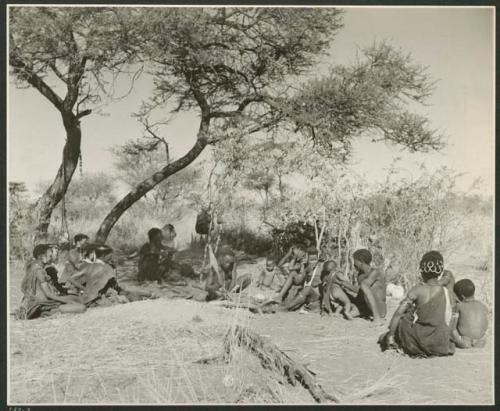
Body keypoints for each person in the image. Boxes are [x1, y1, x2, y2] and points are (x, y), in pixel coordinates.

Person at [378, 251, 455, 357]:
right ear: (440, 271)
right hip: (439, 342)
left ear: (421, 271)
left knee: (403, 319)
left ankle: (391, 338)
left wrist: (391, 335)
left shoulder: (417, 290)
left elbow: (398, 313)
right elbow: (449, 317)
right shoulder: (444, 291)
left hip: (418, 340)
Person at [17, 244, 86, 320]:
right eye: (50, 256)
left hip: (39, 302)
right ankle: (48, 312)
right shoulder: (39, 271)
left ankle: (47, 311)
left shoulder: (33, 267)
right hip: (43, 303)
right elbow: (48, 294)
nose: (51, 258)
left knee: (76, 300)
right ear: (41, 256)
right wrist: (65, 300)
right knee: (81, 307)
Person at [333, 249, 387, 323]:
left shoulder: (375, 272)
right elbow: (359, 291)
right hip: (366, 306)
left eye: (355, 261)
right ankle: (358, 311)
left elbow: (364, 286)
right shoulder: (360, 275)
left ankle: (376, 318)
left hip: (380, 309)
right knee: (346, 295)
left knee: (363, 285)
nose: (354, 264)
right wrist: (342, 283)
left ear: (361, 261)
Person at [451, 279, 488, 348]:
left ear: (462, 296)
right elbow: (485, 326)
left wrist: (459, 342)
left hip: (465, 341)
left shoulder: (459, 306)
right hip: (481, 341)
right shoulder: (483, 306)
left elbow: (452, 328)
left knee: (451, 332)